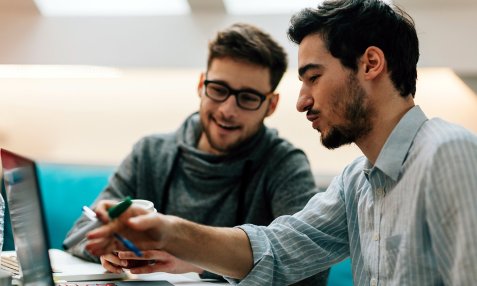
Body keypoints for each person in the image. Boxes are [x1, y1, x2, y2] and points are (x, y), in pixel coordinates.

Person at [85, 0, 477, 285]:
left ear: (371, 64)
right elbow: (278, 248)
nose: (302, 100)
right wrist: (167, 232)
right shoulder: (356, 180)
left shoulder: (447, 153)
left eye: (314, 77)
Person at [64, 23, 329, 284]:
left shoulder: (283, 164)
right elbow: (79, 233)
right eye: (218, 90)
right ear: (202, 84)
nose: (228, 109)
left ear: (270, 105)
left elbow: (312, 269)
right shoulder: (150, 154)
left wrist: (198, 263)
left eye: (247, 98)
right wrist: (106, 249)